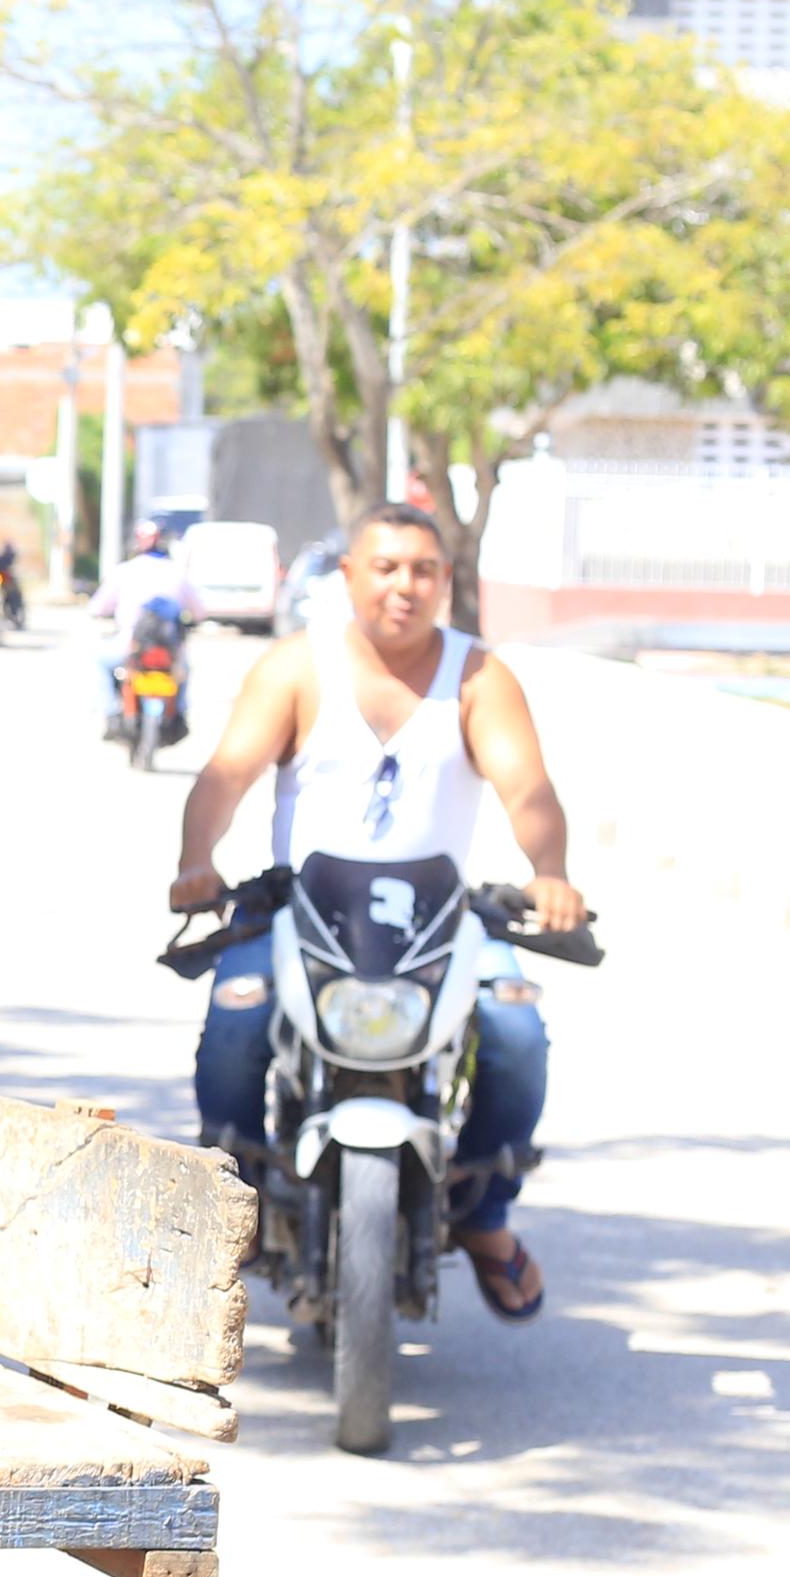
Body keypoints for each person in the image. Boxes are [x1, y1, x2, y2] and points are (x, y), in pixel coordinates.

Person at [169, 504, 586, 1319]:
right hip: (304, 912)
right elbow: (227, 775)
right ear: (349, 575)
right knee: (235, 1015)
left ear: (446, 583)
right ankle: (238, 1202)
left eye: (424, 571)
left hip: (439, 919)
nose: (406, 587)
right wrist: (196, 861)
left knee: (514, 1029)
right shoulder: (297, 666)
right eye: (387, 568)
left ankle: (485, 1216)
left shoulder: (479, 675)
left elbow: (526, 788)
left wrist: (551, 872)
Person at [93, 517, 193, 731]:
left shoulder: (124, 571)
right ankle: (181, 713)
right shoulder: (177, 572)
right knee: (184, 670)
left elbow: (99, 606)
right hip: (170, 648)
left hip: (130, 645)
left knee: (101, 662)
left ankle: (110, 713)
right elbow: (199, 609)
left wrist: (101, 613)